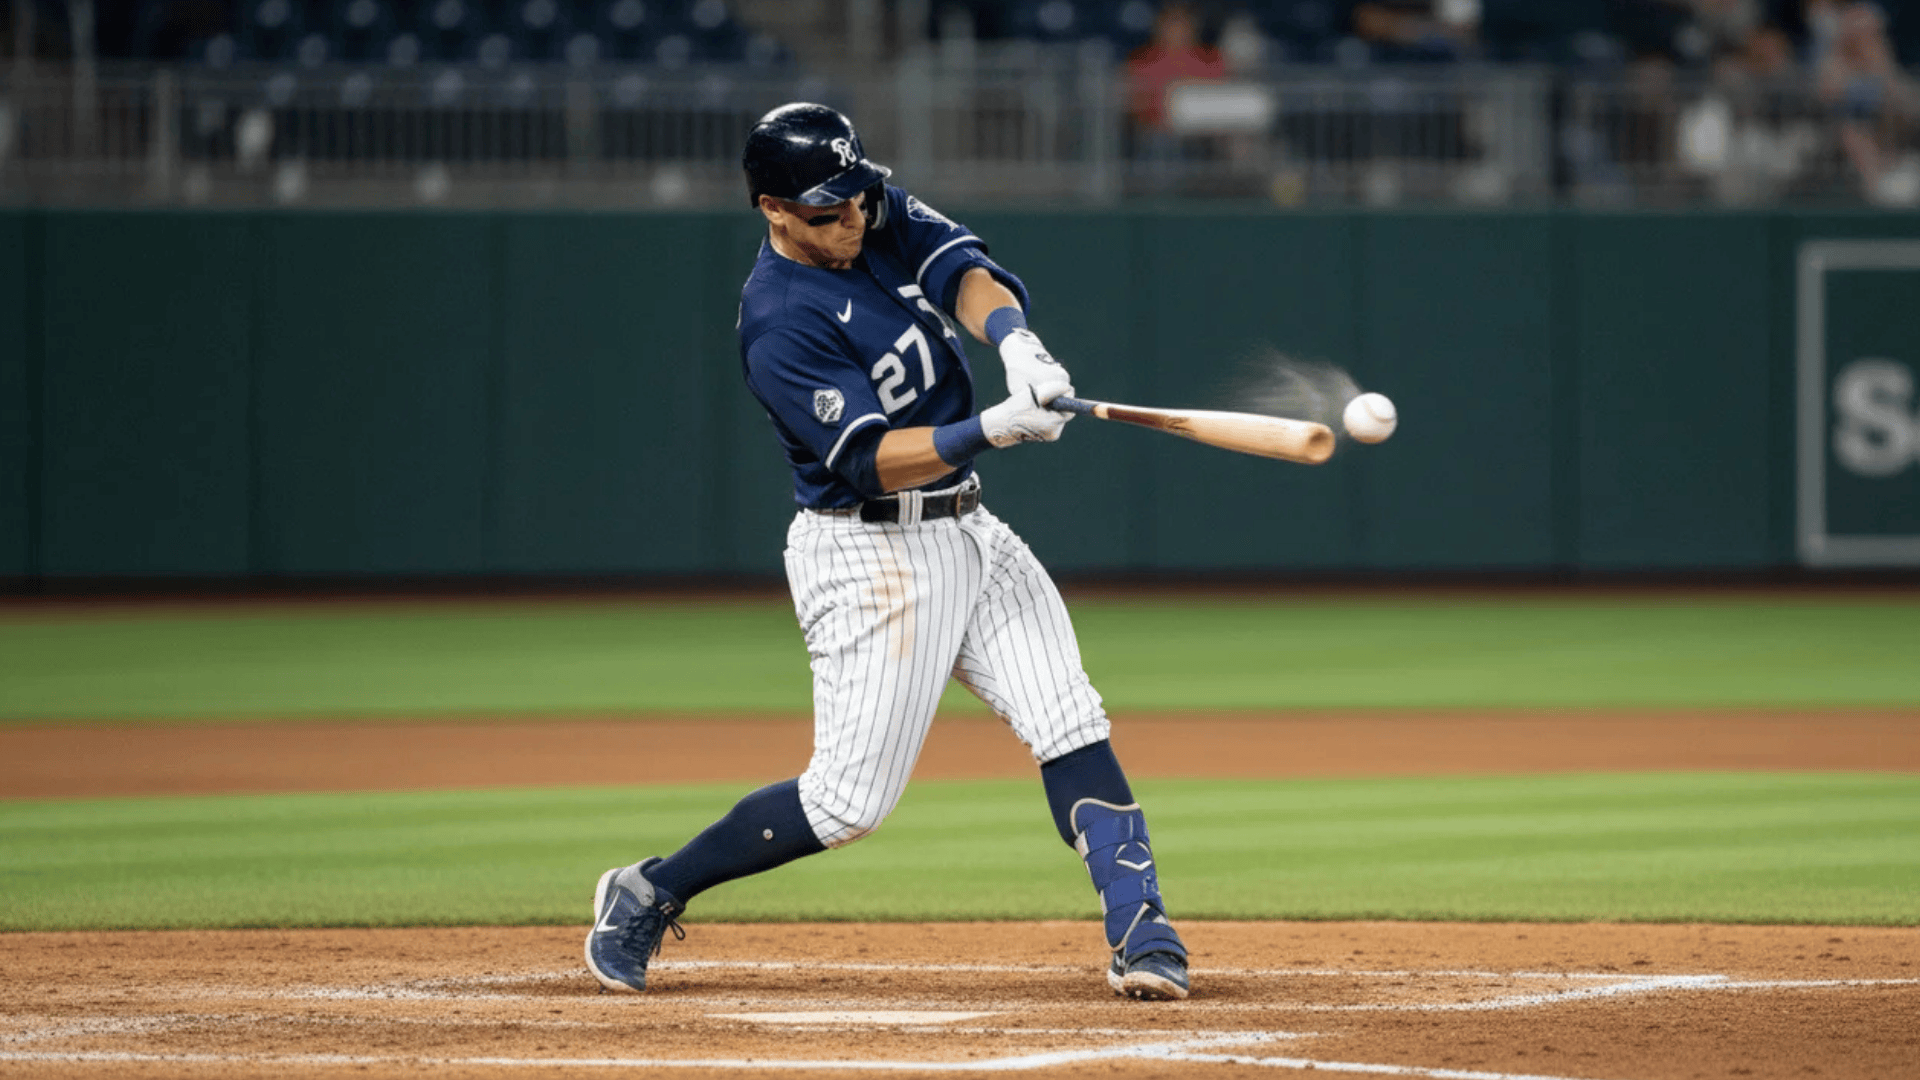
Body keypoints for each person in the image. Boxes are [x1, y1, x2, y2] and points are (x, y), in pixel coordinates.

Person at [583, 102, 1191, 1002]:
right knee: (845, 805)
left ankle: (1144, 930)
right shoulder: (779, 320)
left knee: (1068, 719)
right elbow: (867, 462)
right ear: (773, 211)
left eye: (858, 198)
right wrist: (991, 425)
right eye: (828, 211)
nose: (854, 219)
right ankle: (650, 889)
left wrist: (1015, 340)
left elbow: (963, 272)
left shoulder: (864, 209)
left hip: (968, 529)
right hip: (869, 558)